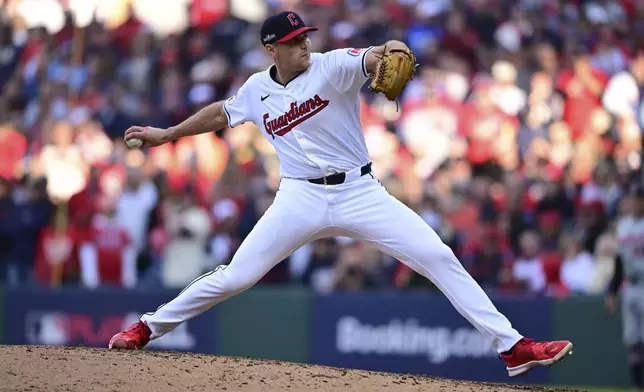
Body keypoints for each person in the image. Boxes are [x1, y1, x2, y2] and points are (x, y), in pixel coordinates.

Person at [109, 11, 573, 377]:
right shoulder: (256, 89)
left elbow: (373, 57)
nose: (304, 43)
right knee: (236, 276)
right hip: (298, 199)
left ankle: (512, 348)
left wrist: (390, 49)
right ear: (272, 50)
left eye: (305, 36)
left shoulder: (331, 65)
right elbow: (221, 115)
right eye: (293, 42)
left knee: (437, 255)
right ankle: (148, 326)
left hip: (359, 192)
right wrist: (167, 134)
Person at [606, 184, 644, 389]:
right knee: (632, 338)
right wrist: (612, 290)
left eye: (640, 199)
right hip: (631, 285)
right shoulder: (624, 225)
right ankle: (637, 385)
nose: (636, 203)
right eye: (634, 198)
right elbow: (619, 261)